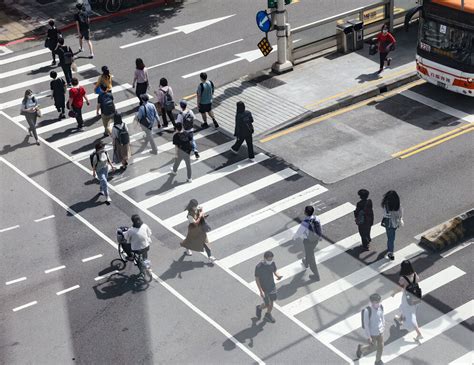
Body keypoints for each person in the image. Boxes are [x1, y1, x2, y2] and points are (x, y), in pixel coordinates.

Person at [392, 260, 423, 342]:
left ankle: (419, 333)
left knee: (411, 316)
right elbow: (418, 280)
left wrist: (394, 293)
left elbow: (400, 288)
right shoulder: (415, 274)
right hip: (416, 297)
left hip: (407, 298)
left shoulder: (403, 278)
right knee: (405, 308)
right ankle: (400, 318)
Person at [293, 205, 322, 279]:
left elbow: (299, 232)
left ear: (305, 212)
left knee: (311, 257)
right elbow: (320, 228)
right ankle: (306, 262)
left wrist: (294, 237)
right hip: (315, 240)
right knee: (309, 252)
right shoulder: (317, 218)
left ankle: (316, 275)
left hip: (308, 241)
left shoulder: (305, 222)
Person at [356, 293, 385, 365]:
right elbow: (366, 325)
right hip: (372, 333)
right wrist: (369, 337)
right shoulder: (367, 311)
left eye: (379, 301)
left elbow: (382, 317)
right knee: (372, 347)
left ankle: (378, 361)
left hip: (380, 331)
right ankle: (361, 348)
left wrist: (383, 327)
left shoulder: (381, 307)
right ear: (372, 302)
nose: (378, 303)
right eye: (376, 302)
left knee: (381, 346)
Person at [255, 251, 282, 323]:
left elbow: (274, 271)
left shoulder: (272, 263)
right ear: (265, 258)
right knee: (267, 304)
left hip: (272, 286)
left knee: (272, 301)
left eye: (271, 259)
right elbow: (257, 279)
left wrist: (278, 275)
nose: (270, 261)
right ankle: (259, 308)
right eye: (269, 259)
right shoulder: (259, 267)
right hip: (264, 289)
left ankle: (268, 314)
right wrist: (260, 291)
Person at [381, 190, 403, 260]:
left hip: (389, 222)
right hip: (396, 221)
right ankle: (390, 248)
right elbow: (401, 214)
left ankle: (390, 252)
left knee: (390, 238)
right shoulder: (398, 205)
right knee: (392, 236)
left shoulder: (386, 205)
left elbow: (385, 215)